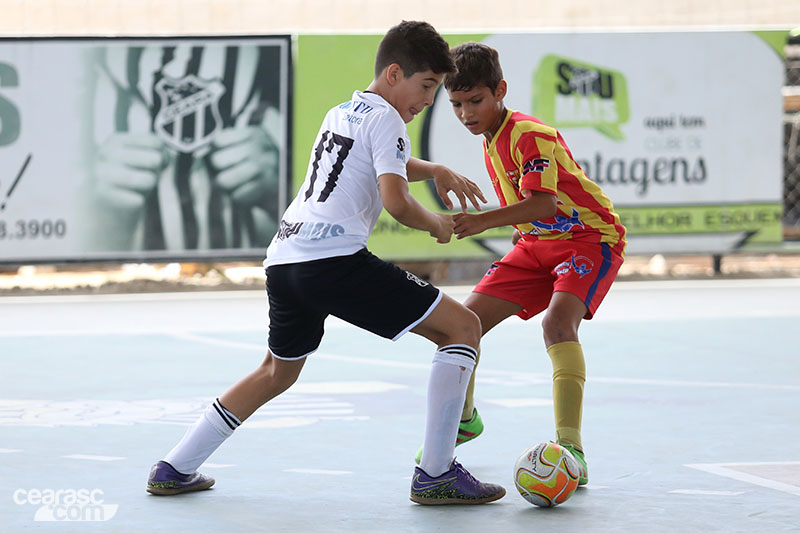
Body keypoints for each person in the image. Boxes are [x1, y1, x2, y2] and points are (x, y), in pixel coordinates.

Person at [146, 22, 505, 505]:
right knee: (462, 327)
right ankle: (436, 473)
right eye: (426, 87)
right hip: (332, 260)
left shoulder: (345, 110)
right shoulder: (389, 120)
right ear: (395, 73)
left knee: (277, 370)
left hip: (286, 259)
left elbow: (381, 159)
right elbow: (396, 202)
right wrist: (437, 223)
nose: (427, 101)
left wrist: (434, 168)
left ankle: (175, 465)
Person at [414, 42, 627, 486]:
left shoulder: (530, 134)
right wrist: (517, 227)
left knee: (557, 324)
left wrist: (483, 220)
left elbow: (544, 203)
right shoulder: (491, 137)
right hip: (537, 243)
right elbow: (530, 207)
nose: (466, 114)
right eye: (456, 104)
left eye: (476, 101)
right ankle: (466, 418)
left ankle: (571, 448)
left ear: (500, 91)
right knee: (461, 323)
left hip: (588, 239)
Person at [82, 42, 286, 253]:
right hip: (134, 269)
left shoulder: (272, 59)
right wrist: (94, 211)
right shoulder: (85, 65)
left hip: (241, 264)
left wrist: (283, 191)